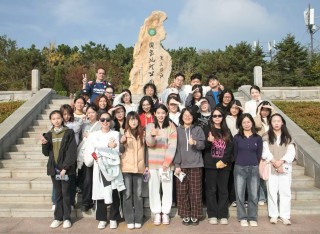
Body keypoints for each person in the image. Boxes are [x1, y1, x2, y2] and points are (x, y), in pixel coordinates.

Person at [84, 111, 125, 229]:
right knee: (100, 192)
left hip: (113, 167)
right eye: (102, 120)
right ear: (99, 121)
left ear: (111, 121)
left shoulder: (116, 134)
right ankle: (102, 218)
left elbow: (117, 151)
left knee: (114, 191)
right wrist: (107, 147)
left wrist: (104, 149)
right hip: (99, 167)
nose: (105, 122)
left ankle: (114, 218)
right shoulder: (94, 135)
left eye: (107, 119)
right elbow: (92, 151)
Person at [41, 110, 77, 229]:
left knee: (66, 194)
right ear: (51, 120)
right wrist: (44, 144)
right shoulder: (48, 134)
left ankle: (67, 218)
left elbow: (71, 152)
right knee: (58, 194)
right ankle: (57, 218)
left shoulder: (68, 132)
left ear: (62, 119)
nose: (56, 120)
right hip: (54, 169)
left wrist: (65, 168)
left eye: (58, 118)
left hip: (65, 170)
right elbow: (46, 153)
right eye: (53, 119)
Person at [145, 104, 177, 225]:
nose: (160, 115)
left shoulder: (171, 126)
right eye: (158, 113)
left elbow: (172, 145)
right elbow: (149, 144)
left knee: (167, 189)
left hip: (166, 165)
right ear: (155, 114)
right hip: (153, 164)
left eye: (163, 113)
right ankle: (157, 212)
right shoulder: (150, 126)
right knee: (154, 189)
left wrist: (167, 163)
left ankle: (166, 213)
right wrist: (152, 135)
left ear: (166, 114)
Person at [262, 113, 296, 225]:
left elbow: (291, 152)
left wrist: (281, 161)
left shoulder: (288, 136)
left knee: (285, 191)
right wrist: (274, 162)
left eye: (278, 121)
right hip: (270, 166)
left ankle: (285, 215)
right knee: (272, 191)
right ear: (270, 123)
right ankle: (274, 215)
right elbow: (264, 151)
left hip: (285, 167)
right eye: (274, 121)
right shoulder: (266, 136)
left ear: (282, 123)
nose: (276, 123)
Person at [174, 107, 205, 226]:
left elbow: (202, 146)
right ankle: (185, 214)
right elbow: (175, 149)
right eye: (185, 115)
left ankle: (196, 215)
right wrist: (177, 164)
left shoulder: (198, 129)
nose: (187, 117)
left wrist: (195, 143)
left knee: (195, 192)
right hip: (181, 166)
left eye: (190, 115)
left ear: (193, 117)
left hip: (196, 165)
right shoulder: (177, 130)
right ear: (181, 117)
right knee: (182, 192)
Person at [204, 107, 233, 225]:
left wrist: (223, 160)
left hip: (224, 165)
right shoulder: (207, 129)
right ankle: (212, 214)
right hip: (211, 165)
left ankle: (223, 214)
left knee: (223, 190)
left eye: (219, 116)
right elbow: (203, 147)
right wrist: (208, 142)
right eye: (214, 116)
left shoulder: (227, 131)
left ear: (222, 117)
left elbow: (230, 147)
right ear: (211, 117)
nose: (217, 118)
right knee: (211, 190)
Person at [233, 113, 262, 227]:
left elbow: (259, 154)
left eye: (248, 122)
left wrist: (254, 163)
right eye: (244, 122)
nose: (246, 124)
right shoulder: (237, 137)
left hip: (254, 168)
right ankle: (242, 217)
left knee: (253, 194)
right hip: (239, 167)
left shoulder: (257, 138)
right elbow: (235, 153)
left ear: (252, 123)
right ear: (241, 124)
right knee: (239, 194)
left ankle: (252, 217)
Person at [120, 111, 148, 229]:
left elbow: (146, 150)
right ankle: (129, 219)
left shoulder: (143, 133)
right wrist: (122, 142)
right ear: (128, 121)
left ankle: (138, 218)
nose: (133, 121)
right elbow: (120, 150)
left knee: (138, 194)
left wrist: (146, 165)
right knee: (127, 194)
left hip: (140, 168)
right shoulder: (124, 134)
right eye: (131, 119)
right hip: (126, 168)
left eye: (135, 119)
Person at [77, 105, 101, 212]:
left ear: (96, 113)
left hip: (94, 155)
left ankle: (87, 202)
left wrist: (90, 135)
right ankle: (87, 200)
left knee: (89, 179)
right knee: (84, 179)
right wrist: (80, 121)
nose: (90, 114)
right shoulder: (84, 124)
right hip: (83, 155)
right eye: (88, 112)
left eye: (92, 112)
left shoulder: (100, 124)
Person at [254, 101, 275, 206]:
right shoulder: (257, 119)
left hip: (272, 150)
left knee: (271, 175)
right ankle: (261, 197)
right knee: (261, 174)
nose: (265, 112)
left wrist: (274, 111)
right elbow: (257, 126)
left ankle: (270, 196)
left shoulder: (272, 121)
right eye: (263, 110)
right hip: (260, 150)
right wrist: (258, 112)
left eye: (267, 110)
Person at [225, 99, 243, 207]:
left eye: (237, 108)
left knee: (239, 175)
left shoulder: (242, 118)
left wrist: (243, 110)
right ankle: (231, 198)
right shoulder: (226, 119)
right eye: (232, 107)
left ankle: (239, 198)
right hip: (229, 148)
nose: (234, 110)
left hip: (241, 148)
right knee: (230, 176)